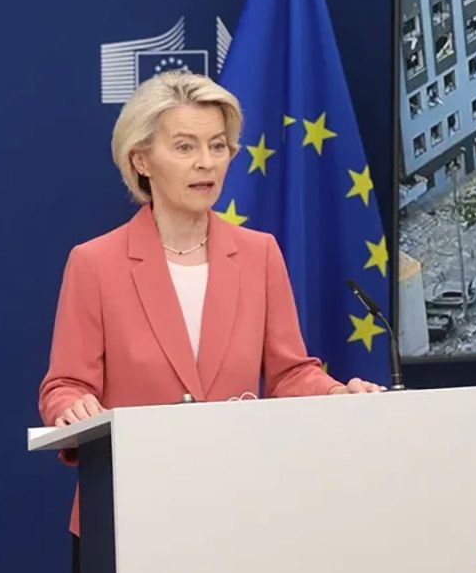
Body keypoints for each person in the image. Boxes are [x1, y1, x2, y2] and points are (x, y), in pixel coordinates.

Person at [38, 71, 384, 570]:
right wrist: (71, 406)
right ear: (141, 160)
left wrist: (335, 394)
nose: (206, 162)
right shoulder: (95, 263)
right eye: (185, 147)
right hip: (128, 512)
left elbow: (289, 373)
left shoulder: (259, 254)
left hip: (237, 510)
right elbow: (65, 385)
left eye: (218, 146)